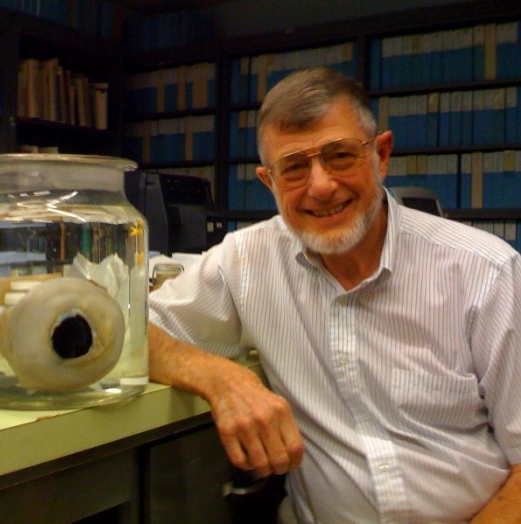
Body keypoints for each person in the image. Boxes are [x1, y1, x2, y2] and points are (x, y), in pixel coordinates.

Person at [147, 67, 521, 523]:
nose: (320, 186)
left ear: (381, 155)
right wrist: (221, 377)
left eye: (340, 156)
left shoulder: (486, 271)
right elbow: (124, 332)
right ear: (269, 182)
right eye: (295, 168)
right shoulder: (246, 261)